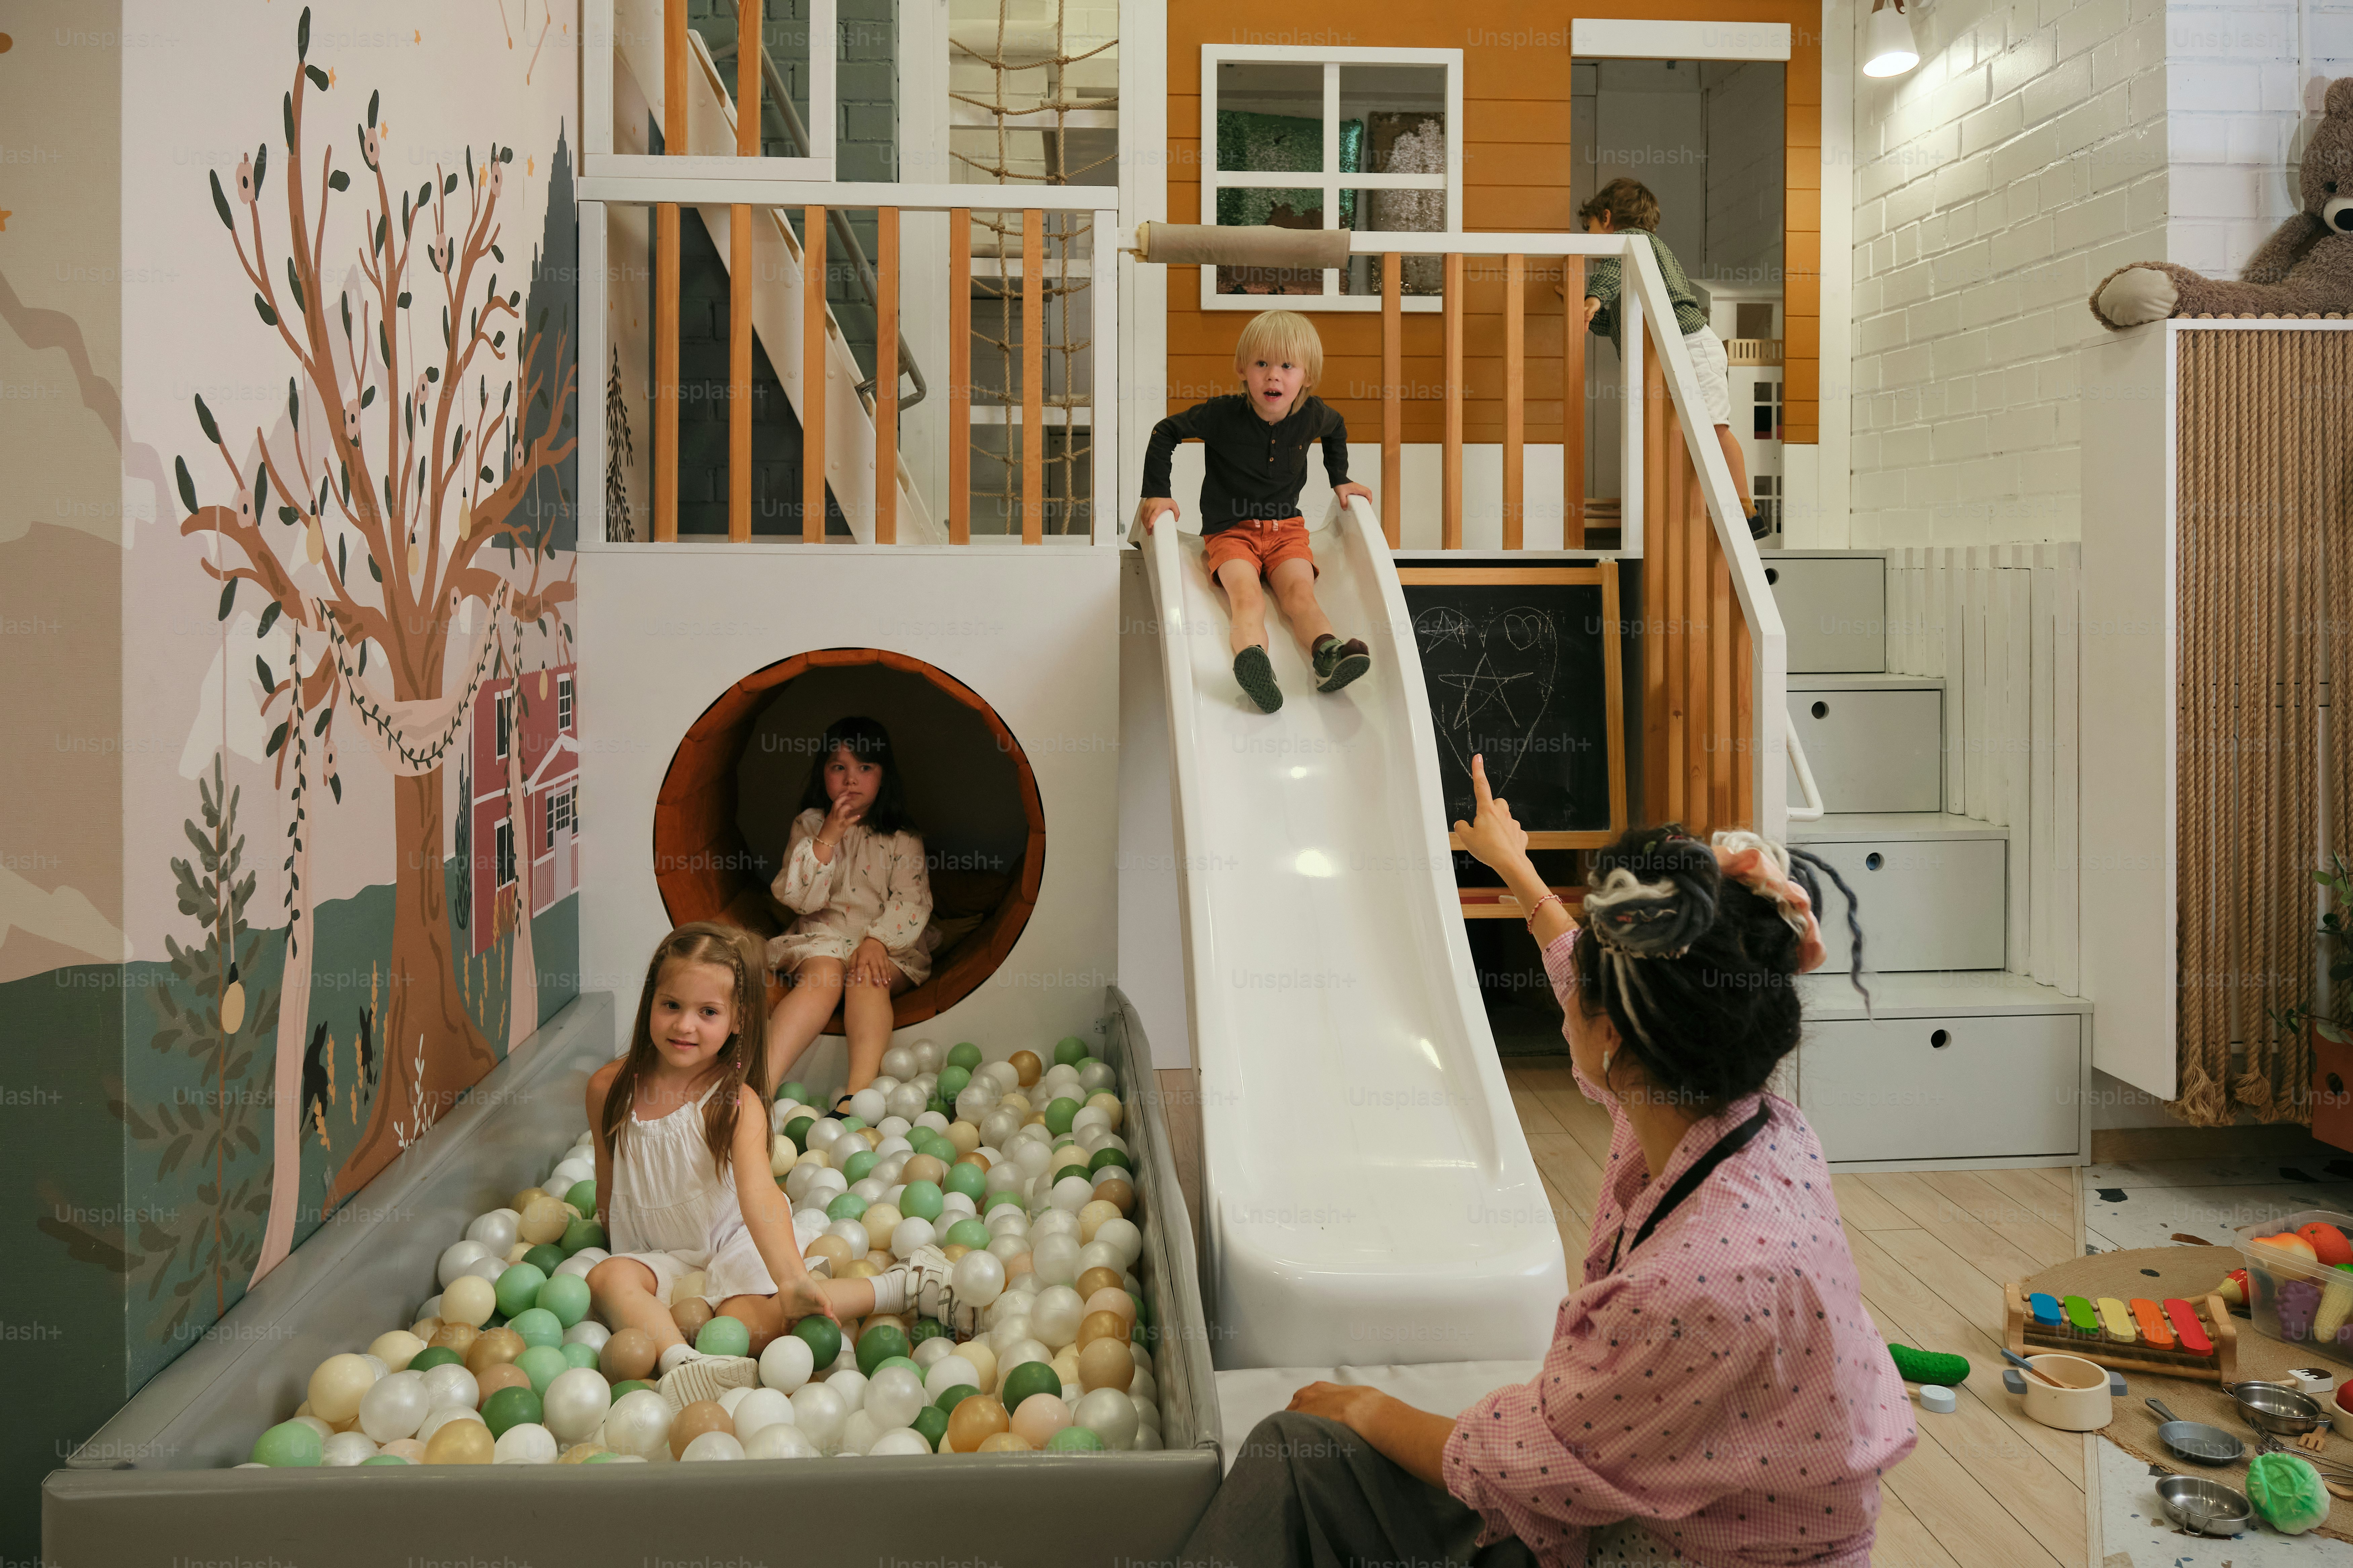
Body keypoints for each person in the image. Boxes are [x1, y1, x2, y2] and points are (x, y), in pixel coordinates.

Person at [1181, 756, 1908, 1568]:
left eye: (1584, 1000)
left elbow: (1529, 1462)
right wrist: (1515, 865)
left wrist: (1370, 1409)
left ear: (1616, 1039)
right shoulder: (1748, 1124)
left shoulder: (1695, 1286)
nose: (1565, 1005)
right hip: (1690, 1509)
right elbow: (1584, 974)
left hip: (1661, 1548)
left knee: (1296, 1450)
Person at [585, 922, 959, 1410]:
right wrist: (612, 1236)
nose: (685, 1026)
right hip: (661, 1252)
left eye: (708, 1012)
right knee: (606, 1279)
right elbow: (607, 1175)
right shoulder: (608, 1087)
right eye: (671, 1005)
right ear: (649, 1002)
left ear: (739, 1020)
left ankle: (897, 1286)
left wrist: (789, 1278)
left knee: (751, 1329)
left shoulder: (734, 1103)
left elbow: (760, 1197)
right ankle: (683, 1362)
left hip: (733, 1236)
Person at [1138, 309, 1377, 714]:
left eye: (1287, 366)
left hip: (1287, 532)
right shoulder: (1223, 415)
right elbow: (1166, 432)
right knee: (1247, 597)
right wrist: (1157, 493)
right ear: (1242, 369)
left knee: (1301, 595)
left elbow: (1336, 429)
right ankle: (1254, 662)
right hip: (1230, 532)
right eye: (1261, 364)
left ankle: (1328, 655)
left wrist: (1341, 478)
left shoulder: (1312, 415)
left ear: (1307, 375)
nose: (1273, 376)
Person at [1571, 177, 1767, 541]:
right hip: (1677, 356)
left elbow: (1608, 278)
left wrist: (1594, 297)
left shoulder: (1635, 244)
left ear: (1607, 217)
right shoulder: (1634, 263)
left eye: (1590, 229)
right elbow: (1607, 324)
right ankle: (1706, 509)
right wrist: (1578, 307)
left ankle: (1746, 510)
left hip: (1692, 346)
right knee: (1686, 435)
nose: (1589, 240)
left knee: (1714, 428)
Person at [761, 715, 934, 1113]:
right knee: (823, 976)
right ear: (823, 773)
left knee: (866, 976)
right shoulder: (808, 825)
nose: (850, 779)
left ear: (883, 776)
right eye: (839, 767)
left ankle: (858, 1096)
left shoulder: (902, 836)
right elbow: (799, 897)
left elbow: (912, 900)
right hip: (823, 937)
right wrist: (829, 837)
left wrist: (877, 941)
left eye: (865, 768)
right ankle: (760, 1084)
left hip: (885, 944)